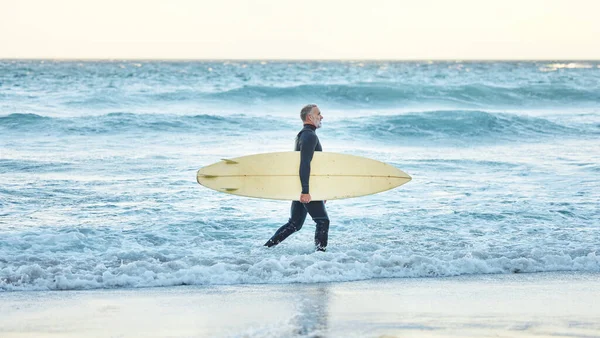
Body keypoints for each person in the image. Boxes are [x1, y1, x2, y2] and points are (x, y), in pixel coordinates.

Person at [264, 104, 330, 252]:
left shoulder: (304, 135)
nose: (322, 116)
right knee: (323, 221)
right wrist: (306, 191)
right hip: (306, 187)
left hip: (302, 186)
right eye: (318, 113)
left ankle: (265, 249)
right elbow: (304, 163)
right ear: (310, 117)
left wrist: (321, 191)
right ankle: (321, 258)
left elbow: (312, 166)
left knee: (295, 224)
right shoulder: (309, 136)